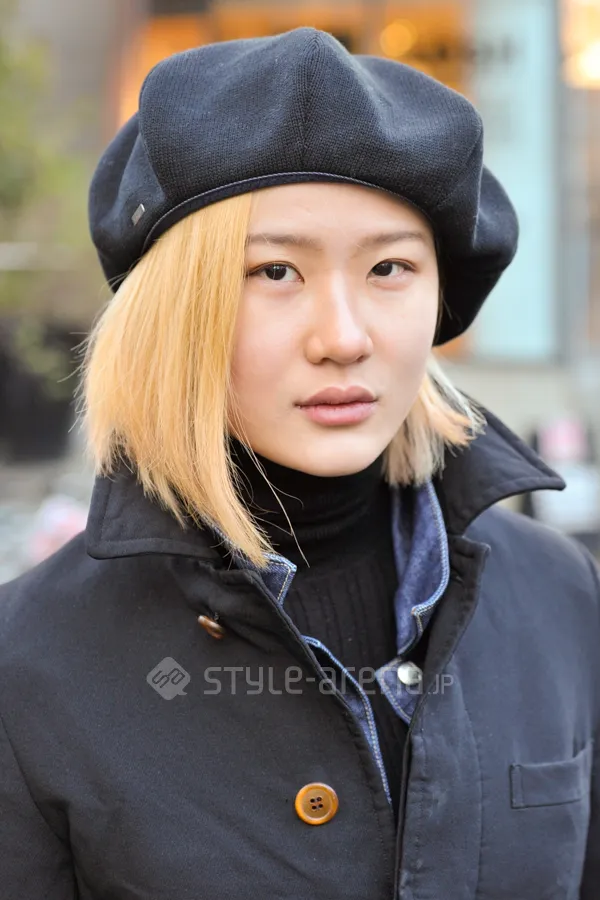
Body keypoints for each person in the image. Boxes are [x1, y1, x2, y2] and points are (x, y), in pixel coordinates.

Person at [0, 27, 598, 900]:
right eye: (275, 271)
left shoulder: (561, 594)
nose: (344, 338)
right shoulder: (30, 665)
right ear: (173, 313)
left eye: (390, 267)